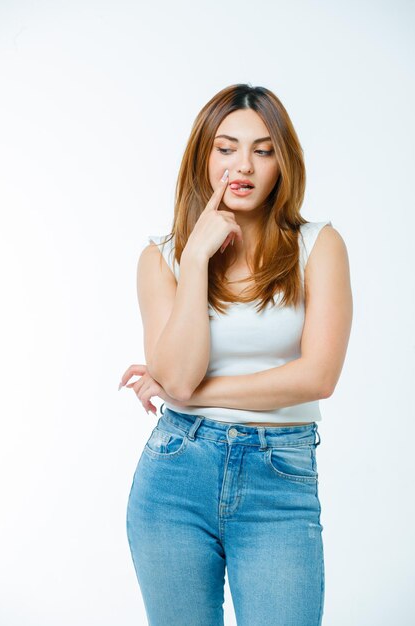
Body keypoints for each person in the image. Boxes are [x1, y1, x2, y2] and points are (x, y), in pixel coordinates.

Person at [119, 83, 353, 626]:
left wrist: (188, 393)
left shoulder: (319, 246)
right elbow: (176, 371)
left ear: (282, 162)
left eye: (263, 150)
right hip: (176, 476)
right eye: (226, 148)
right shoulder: (163, 259)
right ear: (203, 155)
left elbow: (318, 377)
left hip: (279, 477)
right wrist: (197, 255)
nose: (242, 165)